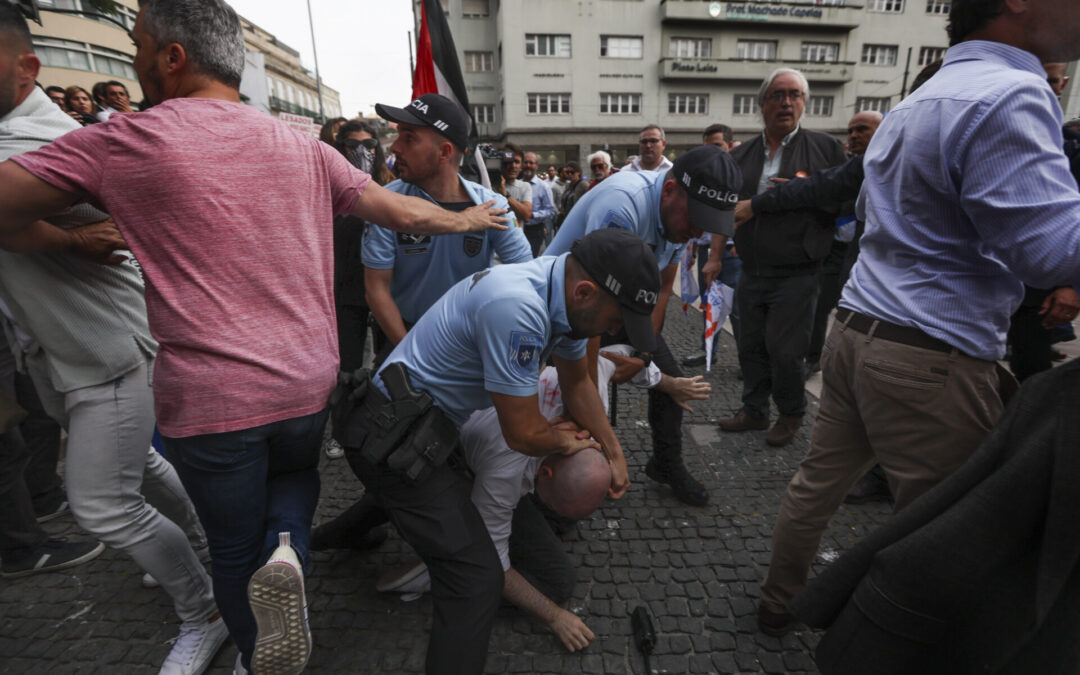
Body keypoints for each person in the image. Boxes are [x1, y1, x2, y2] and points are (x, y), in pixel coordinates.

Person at [0, 1, 508, 672]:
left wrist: (63, 237)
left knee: (232, 549)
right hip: (307, 382)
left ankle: (253, 653)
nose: (133, 57)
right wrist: (467, 217)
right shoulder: (302, 144)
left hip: (212, 399)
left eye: (138, 44)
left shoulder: (128, 140)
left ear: (173, 58)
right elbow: (395, 205)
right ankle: (290, 546)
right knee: (294, 476)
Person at [757, 0, 1080, 637]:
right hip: (926, 354)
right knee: (950, 531)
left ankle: (778, 603)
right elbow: (1049, 249)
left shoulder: (922, 98)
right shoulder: (1010, 90)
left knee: (815, 486)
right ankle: (891, 646)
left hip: (857, 331)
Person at [0, 6, 224, 673]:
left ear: (25, 68)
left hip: (108, 349)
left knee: (100, 502)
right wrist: (64, 239)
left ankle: (204, 608)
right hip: (66, 348)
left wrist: (60, 237)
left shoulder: (34, 137)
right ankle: (204, 542)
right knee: (143, 469)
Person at [335, 227, 659, 674]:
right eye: (615, 320)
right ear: (585, 292)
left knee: (429, 498)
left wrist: (614, 450)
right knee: (476, 579)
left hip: (423, 430)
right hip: (389, 434)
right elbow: (524, 434)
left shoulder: (562, 298)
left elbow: (578, 381)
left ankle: (334, 538)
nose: (614, 331)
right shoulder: (519, 307)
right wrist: (565, 438)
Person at [371, 344, 710, 652]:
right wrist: (554, 617)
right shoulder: (506, 471)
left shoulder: (590, 392)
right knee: (556, 581)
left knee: (563, 518)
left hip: (490, 450)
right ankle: (445, 567)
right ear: (542, 475)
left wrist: (668, 383)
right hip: (452, 464)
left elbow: (616, 361)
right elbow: (497, 566)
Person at [546, 144, 743, 506]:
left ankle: (666, 464)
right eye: (696, 220)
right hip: (571, 308)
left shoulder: (678, 218)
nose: (698, 232)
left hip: (622, 305)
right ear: (669, 190)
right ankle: (561, 489)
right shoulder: (621, 207)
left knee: (669, 377)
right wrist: (592, 417)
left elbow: (662, 288)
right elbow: (590, 316)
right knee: (578, 395)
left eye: (708, 225)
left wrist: (642, 352)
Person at [715, 68, 847, 448]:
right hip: (751, 268)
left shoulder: (825, 149)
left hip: (799, 271)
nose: (786, 102)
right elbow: (726, 210)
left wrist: (800, 193)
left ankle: (791, 412)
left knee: (786, 352)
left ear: (805, 102)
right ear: (762, 105)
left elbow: (844, 202)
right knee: (750, 345)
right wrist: (715, 257)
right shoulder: (740, 155)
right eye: (777, 95)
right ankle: (754, 410)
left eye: (794, 95)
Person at [363, 94, 531, 355]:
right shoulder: (387, 202)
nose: (395, 148)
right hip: (403, 337)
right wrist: (410, 353)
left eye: (409, 138)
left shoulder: (491, 205)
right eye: (398, 137)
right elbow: (376, 287)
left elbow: (526, 277)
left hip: (470, 339)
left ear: (445, 152)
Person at [323, 118, 394, 461]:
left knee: (388, 363)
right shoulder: (325, 189)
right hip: (346, 288)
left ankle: (384, 428)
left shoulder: (390, 187)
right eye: (352, 146)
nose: (362, 153)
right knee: (347, 367)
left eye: (369, 146)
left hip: (386, 290)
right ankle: (341, 430)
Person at [685, 123, 742, 368]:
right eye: (708, 148)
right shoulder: (704, 176)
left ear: (729, 146)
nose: (714, 153)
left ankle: (746, 360)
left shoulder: (739, 175)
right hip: (707, 249)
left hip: (731, 251)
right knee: (710, 303)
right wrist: (695, 248)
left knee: (738, 310)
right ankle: (708, 350)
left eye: (718, 146)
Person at [521, 151, 556, 255]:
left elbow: (550, 211)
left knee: (529, 259)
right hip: (517, 229)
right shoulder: (517, 184)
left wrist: (533, 215)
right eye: (526, 162)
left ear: (536, 166)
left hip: (534, 231)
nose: (528, 165)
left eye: (531, 163)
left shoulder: (544, 187)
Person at [501, 142, 533, 224]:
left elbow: (527, 215)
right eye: (509, 161)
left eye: (517, 162)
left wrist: (506, 194)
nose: (513, 166)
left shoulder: (525, 186)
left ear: (521, 167)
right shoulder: (488, 185)